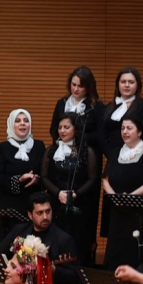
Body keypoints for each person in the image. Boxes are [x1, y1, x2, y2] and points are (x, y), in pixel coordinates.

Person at [42, 112, 101, 264]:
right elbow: (44, 177)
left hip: (79, 205)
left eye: (66, 127)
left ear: (76, 129)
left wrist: (76, 194)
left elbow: (92, 178)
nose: (62, 131)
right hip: (56, 204)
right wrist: (57, 193)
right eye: (60, 127)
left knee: (78, 247)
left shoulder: (86, 152)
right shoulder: (51, 151)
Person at [100, 113, 143, 268]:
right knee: (114, 253)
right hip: (117, 211)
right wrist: (116, 198)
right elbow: (105, 179)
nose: (125, 131)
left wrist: (130, 198)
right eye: (123, 128)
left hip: (138, 212)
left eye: (129, 128)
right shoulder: (115, 152)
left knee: (135, 253)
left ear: (139, 132)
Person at [0, 108, 45, 246]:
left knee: (34, 249)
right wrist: (18, 180)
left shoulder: (39, 146)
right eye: (18, 121)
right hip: (9, 206)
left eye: (26, 121)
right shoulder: (2, 148)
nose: (22, 124)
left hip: (33, 204)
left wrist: (38, 179)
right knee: (8, 248)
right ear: (11, 125)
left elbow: (47, 173)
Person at [50, 66, 104, 155]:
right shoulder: (62, 103)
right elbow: (53, 129)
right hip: (62, 152)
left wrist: (77, 140)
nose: (76, 89)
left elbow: (99, 134)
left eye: (80, 86)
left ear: (88, 87)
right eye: (73, 84)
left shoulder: (96, 106)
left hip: (88, 154)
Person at [104, 67, 143, 155]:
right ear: (118, 84)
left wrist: (132, 153)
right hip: (113, 155)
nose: (127, 85)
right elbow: (102, 134)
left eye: (131, 82)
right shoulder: (109, 107)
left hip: (138, 155)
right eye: (123, 82)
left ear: (137, 85)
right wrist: (111, 154)